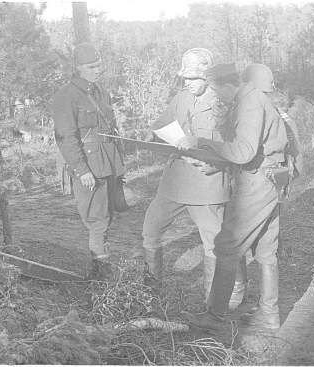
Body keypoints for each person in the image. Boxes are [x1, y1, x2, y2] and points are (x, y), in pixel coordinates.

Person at [177, 63, 289, 330]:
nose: (217, 97)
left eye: (217, 91)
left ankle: (214, 316)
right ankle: (269, 315)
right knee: (265, 250)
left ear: (228, 85)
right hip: (271, 178)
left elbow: (243, 152)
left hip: (258, 181)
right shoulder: (252, 98)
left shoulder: (250, 102)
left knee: (226, 246)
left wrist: (200, 142)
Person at [135, 49, 247, 308]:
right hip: (175, 181)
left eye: (193, 78)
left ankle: (217, 300)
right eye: (185, 78)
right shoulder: (181, 98)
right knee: (150, 230)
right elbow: (161, 126)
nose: (187, 83)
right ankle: (151, 294)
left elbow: (235, 147)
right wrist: (154, 136)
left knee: (215, 243)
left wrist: (218, 164)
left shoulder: (225, 103)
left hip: (208, 183)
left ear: (208, 77)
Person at [53, 42, 125, 280]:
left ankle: (102, 266)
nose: (98, 70)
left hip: (107, 164)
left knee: (107, 217)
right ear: (78, 67)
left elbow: (108, 128)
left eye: (99, 65)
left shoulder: (100, 92)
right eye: (92, 66)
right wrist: (81, 169)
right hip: (88, 167)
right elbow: (66, 137)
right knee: (96, 220)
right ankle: (102, 279)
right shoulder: (67, 96)